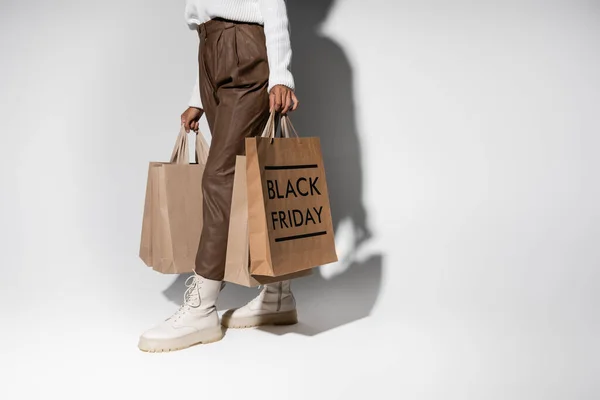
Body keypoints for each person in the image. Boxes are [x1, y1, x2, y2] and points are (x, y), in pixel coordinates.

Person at [138, 0, 299, 352]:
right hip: (211, 52)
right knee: (251, 180)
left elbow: (271, 4)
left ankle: (203, 306)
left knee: (219, 177)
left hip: (245, 55)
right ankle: (277, 294)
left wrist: (281, 75)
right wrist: (199, 94)